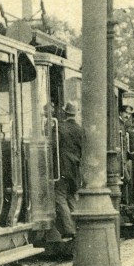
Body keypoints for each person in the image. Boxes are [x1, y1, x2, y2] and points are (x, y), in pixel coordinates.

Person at [54, 101, 84, 239]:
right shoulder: (80, 129)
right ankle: (79, 226)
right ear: (75, 113)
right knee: (71, 197)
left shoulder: (60, 128)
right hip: (75, 169)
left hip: (62, 168)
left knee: (59, 197)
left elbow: (54, 146)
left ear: (65, 113)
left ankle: (70, 229)